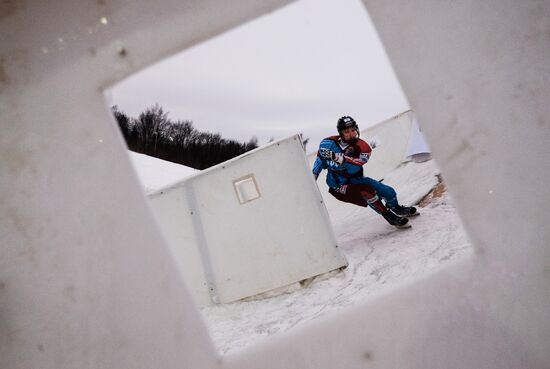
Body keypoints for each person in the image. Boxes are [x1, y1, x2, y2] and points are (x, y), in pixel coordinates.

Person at [312, 116, 417, 228]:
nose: (351, 133)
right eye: (346, 131)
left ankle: (397, 208)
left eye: (353, 130)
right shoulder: (328, 143)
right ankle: (388, 216)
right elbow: (319, 161)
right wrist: (313, 178)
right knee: (367, 192)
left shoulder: (363, 147)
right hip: (338, 185)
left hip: (356, 179)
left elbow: (358, 163)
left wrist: (342, 159)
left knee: (389, 191)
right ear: (341, 133)